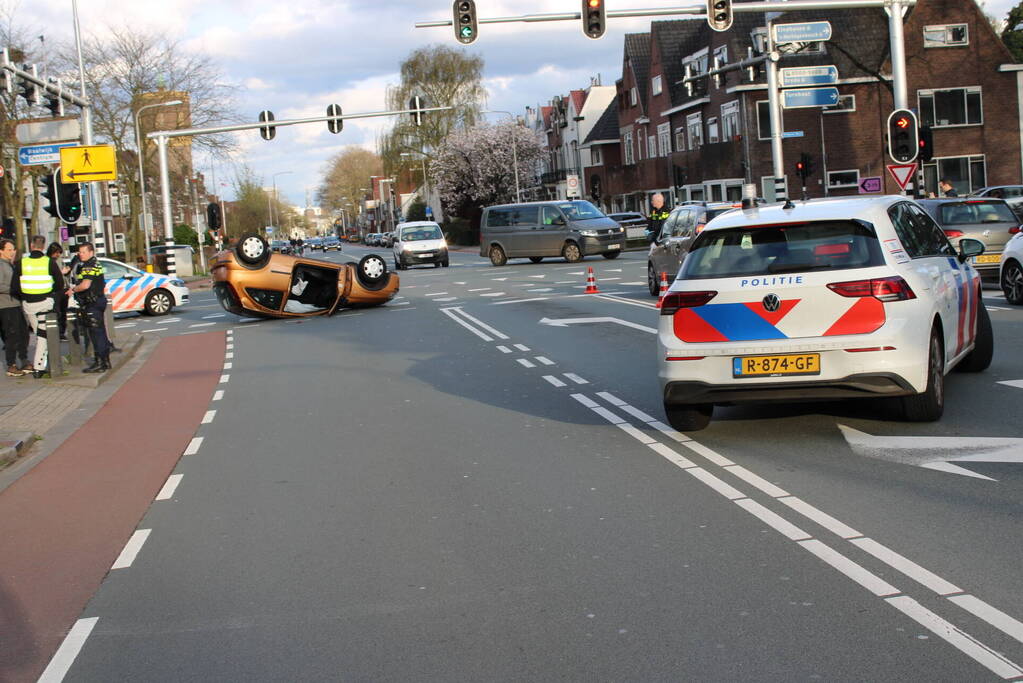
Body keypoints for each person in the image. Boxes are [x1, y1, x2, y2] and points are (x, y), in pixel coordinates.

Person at [11, 235, 64, 378]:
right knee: (42, 336)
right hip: (45, 302)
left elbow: (14, 287)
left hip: (28, 305)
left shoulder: (21, 263)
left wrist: (25, 296)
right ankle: (39, 367)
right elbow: (60, 284)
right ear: (43, 246)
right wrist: (52, 293)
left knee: (39, 333)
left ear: (31, 245)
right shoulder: (49, 262)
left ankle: (41, 365)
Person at [67, 242, 110, 374]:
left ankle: (100, 363)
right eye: (80, 252)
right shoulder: (95, 263)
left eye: (83, 252)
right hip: (98, 300)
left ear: (91, 252)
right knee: (101, 332)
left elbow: (85, 285)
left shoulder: (88, 266)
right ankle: (105, 361)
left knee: (96, 334)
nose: (81, 254)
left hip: (92, 303)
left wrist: (73, 289)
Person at [0, 239, 29, 376]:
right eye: (9, 250)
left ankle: (24, 360)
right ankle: (11, 364)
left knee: (23, 333)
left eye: (13, 250)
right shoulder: (1, 265)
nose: (12, 253)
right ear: (1, 251)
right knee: (12, 335)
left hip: (17, 304)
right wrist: (15, 289)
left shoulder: (11, 265)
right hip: (6, 305)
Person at [47, 242, 69, 341]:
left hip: (63, 289)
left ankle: (62, 332)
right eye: (57, 253)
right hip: (54, 290)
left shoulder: (60, 260)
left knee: (63, 312)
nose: (58, 255)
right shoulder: (48, 261)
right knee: (57, 312)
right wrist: (61, 272)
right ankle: (57, 333)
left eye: (60, 252)